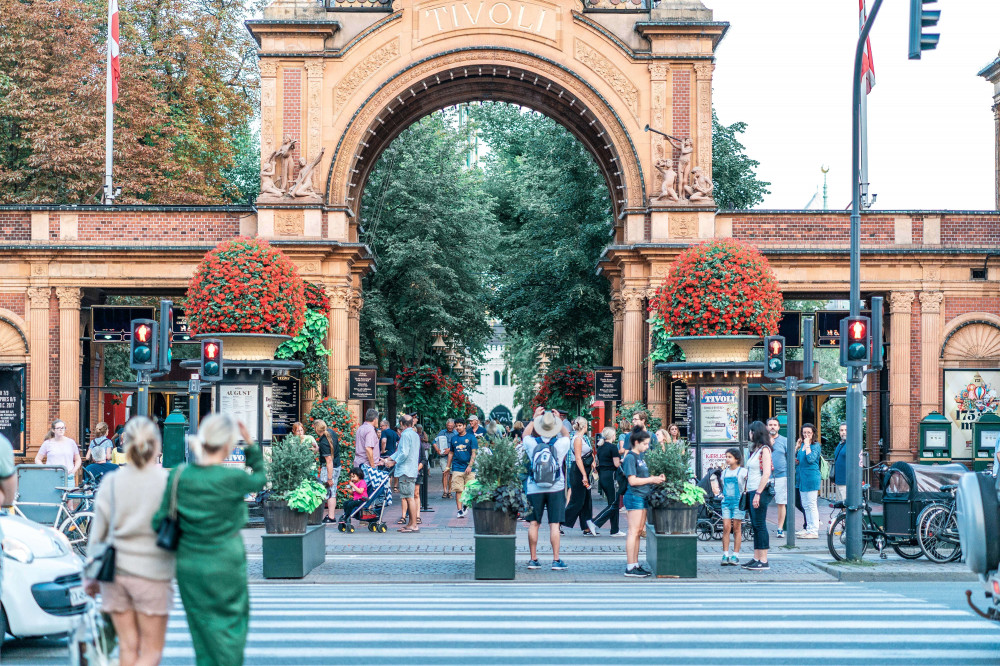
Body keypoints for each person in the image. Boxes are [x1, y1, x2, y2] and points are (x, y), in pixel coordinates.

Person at [153, 413, 266, 666]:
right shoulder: (233, 478)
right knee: (233, 623)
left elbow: (158, 520)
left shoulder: (180, 476)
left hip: (190, 563)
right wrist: (250, 445)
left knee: (201, 629)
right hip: (227, 560)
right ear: (227, 445)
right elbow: (259, 479)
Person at [85, 416, 174, 666]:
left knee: (127, 646)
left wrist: (91, 575)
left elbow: (98, 535)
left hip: (116, 572)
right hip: (153, 572)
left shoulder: (113, 481)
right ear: (155, 445)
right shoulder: (167, 482)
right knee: (150, 651)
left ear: (126, 444)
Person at [522, 408, 572, 571]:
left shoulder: (531, 443)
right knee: (554, 524)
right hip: (555, 487)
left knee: (534, 523)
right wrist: (559, 421)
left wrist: (534, 418)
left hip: (534, 486)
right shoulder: (560, 444)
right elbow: (567, 436)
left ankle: (533, 559)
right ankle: (556, 560)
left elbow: (524, 436)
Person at [622, 426, 664, 577]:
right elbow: (632, 481)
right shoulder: (630, 458)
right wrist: (651, 479)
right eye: (645, 444)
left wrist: (655, 479)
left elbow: (643, 477)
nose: (647, 447)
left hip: (642, 496)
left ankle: (635, 564)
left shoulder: (640, 457)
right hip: (635, 496)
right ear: (637, 442)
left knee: (639, 531)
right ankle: (630, 566)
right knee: (633, 531)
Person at [742, 420, 774, 571]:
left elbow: (766, 473)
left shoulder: (765, 450)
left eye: (751, 431)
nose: (749, 433)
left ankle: (764, 560)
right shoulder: (756, 450)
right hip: (752, 490)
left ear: (756, 433)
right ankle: (756, 557)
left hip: (759, 491)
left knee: (760, 525)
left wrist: (758, 494)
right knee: (755, 525)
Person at [562, 417, 598, 536]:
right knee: (577, 500)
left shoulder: (581, 438)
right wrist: (584, 475)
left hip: (582, 471)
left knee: (586, 499)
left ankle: (587, 526)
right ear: (584, 426)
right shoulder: (577, 439)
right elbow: (578, 458)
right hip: (578, 472)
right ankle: (559, 522)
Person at [384, 414, 420, 532]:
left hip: (405, 469)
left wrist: (393, 462)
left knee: (409, 497)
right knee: (409, 496)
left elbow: (403, 453)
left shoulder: (405, 434)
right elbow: (400, 451)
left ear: (401, 424)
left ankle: (413, 524)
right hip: (411, 469)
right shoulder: (415, 434)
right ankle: (410, 523)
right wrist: (388, 459)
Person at [593, 426, 624, 536]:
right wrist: (623, 460)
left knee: (612, 503)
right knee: (614, 504)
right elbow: (616, 464)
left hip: (603, 477)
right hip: (611, 476)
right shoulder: (612, 447)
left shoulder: (600, 447)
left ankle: (614, 530)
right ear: (612, 435)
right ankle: (594, 522)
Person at [719, 447, 748, 566]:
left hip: (738, 502)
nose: (727, 459)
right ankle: (725, 553)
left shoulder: (742, 471)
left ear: (737, 459)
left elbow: (745, 485)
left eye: (729, 457)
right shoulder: (724, 472)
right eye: (726, 457)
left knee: (737, 528)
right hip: (726, 502)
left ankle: (735, 554)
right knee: (726, 527)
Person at [35, 419, 81, 486]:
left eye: (63, 428)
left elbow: (78, 459)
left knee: (68, 496)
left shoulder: (71, 442)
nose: (61, 430)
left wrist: (74, 470)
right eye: (58, 428)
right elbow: (37, 459)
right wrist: (45, 469)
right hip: (52, 477)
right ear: (53, 430)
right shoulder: (47, 443)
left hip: (68, 477)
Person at [795, 423, 822, 539]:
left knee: (811, 504)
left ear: (813, 434)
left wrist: (806, 446)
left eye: (809, 433)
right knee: (805, 504)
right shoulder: (801, 445)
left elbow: (811, 459)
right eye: (804, 432)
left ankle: (814, 530)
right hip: (802, 478)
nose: (806, 435)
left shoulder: (815, 446)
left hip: (811, 478)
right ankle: (808, 528)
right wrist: (797, 447)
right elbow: (797, 460)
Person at [447, 419, 478, 517]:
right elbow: (451, 453)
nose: (458, 428)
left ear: (465, 426)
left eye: (460, 425)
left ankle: (466, 505)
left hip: (470, 469)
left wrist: (470, 466)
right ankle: (459, 510)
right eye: (457, 426)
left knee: (469, 489)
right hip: (457, 467)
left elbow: (474, 452)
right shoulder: (454, 438)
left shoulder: (471, 438)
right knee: (458, 490)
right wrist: (448, 466)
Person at [312, 419, 340, 524]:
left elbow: (328, 461)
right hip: (337, 466)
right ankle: (331, 516)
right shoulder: (330, 432)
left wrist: (329, 478)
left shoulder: (324, 441)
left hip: (330, 468)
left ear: (316, 428)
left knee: (327, 492)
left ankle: (330, 517)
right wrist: (318, 449)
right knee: (332, 492)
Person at [767, 417, 789, 538]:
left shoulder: (785, 441)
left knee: (781, 502)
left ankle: (780, 528)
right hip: (765, 475)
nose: (773, 427)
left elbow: (789, 457)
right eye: (770, 425)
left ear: (779, 427)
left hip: (781, 475)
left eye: (775, 425)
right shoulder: (763, 441)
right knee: (762, 502)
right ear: (767, 427)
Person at [435, 419, 457, 499]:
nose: (450, 427)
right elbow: (434, 442)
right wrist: (437, 449)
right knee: (445, 473)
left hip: (453, 457)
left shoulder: (456, 433)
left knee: (451, 474)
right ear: (446, 425)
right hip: (443, 456)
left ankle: (450, 491)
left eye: (451, 426)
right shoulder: (442, 432)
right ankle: (445, 491)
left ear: (454, 426)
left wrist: (450, 449)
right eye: (448, 426)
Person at [831, 422, 849, 500]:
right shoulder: (840, 444)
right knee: (842, 504)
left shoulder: (852, 444)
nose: (843, 432)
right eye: (841, 430)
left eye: (846, 430)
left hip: (847, 481)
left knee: (846, 503)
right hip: (839, 480)